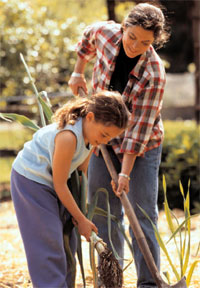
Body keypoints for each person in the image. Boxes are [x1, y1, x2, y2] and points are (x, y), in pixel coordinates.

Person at [68, 2, 170, 288]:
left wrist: (125, 173)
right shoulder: (106, 33)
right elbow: (87, 38)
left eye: (146, 42)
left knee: (142, 213)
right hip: (103, 141)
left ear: (155, 42)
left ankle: (150, 283)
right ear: (123, 27)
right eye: (132, 36)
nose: (135, 45)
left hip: (141, 147)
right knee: (103, 210)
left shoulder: (154, 74)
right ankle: (110, 281)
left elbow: (138, 131)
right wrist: (78, 70)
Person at [10, 91, 129, 288]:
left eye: (111, 138)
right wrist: (82, 219)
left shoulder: (91, 137)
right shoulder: (68, 137)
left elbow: (82, 171)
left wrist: (80, 211)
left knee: (67, 240)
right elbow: (59, 183)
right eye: (104, 134)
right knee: (49, 241)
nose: (106, 141)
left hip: (53, 182)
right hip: (31, 180)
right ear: (90, 117)